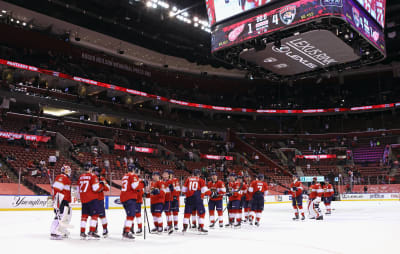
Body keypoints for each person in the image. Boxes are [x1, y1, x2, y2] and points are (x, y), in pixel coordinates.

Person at [78, 166, 102, 239]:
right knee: (94, 216)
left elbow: (78, 188)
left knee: (84, 216)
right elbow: (95, 188)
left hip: (84, 199)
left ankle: (82, 232)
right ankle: (91, 232)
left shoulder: (81, 176)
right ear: (90, 169)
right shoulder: (93, 176)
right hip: (92, 198)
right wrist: (101, 185)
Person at [182, 169, 208, 234]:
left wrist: (187, 195)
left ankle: (184, 227)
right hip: (197, 197)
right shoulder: (201, 180)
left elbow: (183, 190)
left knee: (187, 213)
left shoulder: (188, 179)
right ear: (199, 174)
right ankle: (201, 227)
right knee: (202, 212)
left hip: (189, 198)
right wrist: (212, 194)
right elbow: (204, 190)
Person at [50, 165, 72, 240]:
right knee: (60, 216)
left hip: (63, 200)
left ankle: (60, 230)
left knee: (63, 216)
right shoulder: (62, 177)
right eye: (68, 170)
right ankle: (54, 232)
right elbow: (57, 188)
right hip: (60, 200)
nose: (69, 172)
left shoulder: (65, 178)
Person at [120, 165, 140, 239]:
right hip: (130, 197)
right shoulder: (133, 176)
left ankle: (125, 230)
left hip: (123, 197)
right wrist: (142, 184)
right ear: (134, 169)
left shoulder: (124, 176)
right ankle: (127, 232)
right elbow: (135, 186)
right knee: (131, 215)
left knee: (129, 215)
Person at [94, 167, 110, 237]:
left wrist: (102, 185)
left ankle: (105, 229)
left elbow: (108, 188)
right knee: (94, 216)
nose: (95, 173)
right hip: (93, 200)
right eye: (94, 171)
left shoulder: (102, 179)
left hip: (99, 200)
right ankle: (94, 229)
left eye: (96, 171)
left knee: (102, 215)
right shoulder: (91, 178)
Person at [133, 168, 146, 235]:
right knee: (131, 215)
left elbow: (141, 189)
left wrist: (142, 193)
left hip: (137, 200)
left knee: (137, 214)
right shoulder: (132, 179)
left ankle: (140, 228)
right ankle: (131, 228)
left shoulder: (140, 180)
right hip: (132, 199)